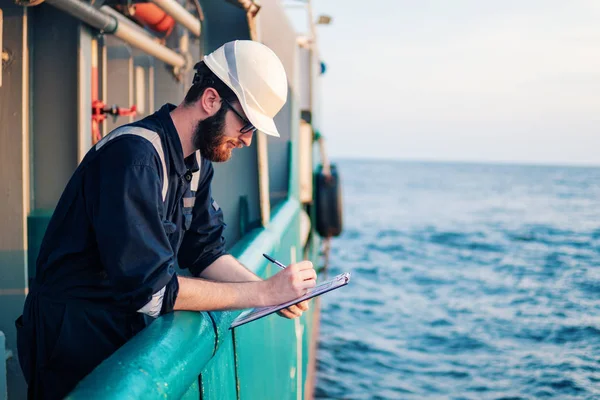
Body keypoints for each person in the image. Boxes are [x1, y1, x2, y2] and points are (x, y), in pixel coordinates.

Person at [16, 40, 316, 400]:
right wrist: (262, 291)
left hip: (118, 331)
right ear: (210, 100)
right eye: (247, 125)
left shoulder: (197, 162)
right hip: (70, 338)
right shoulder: (135, 158)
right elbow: (153, 292)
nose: (247, 141)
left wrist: (272, 296)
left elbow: (206, 253)